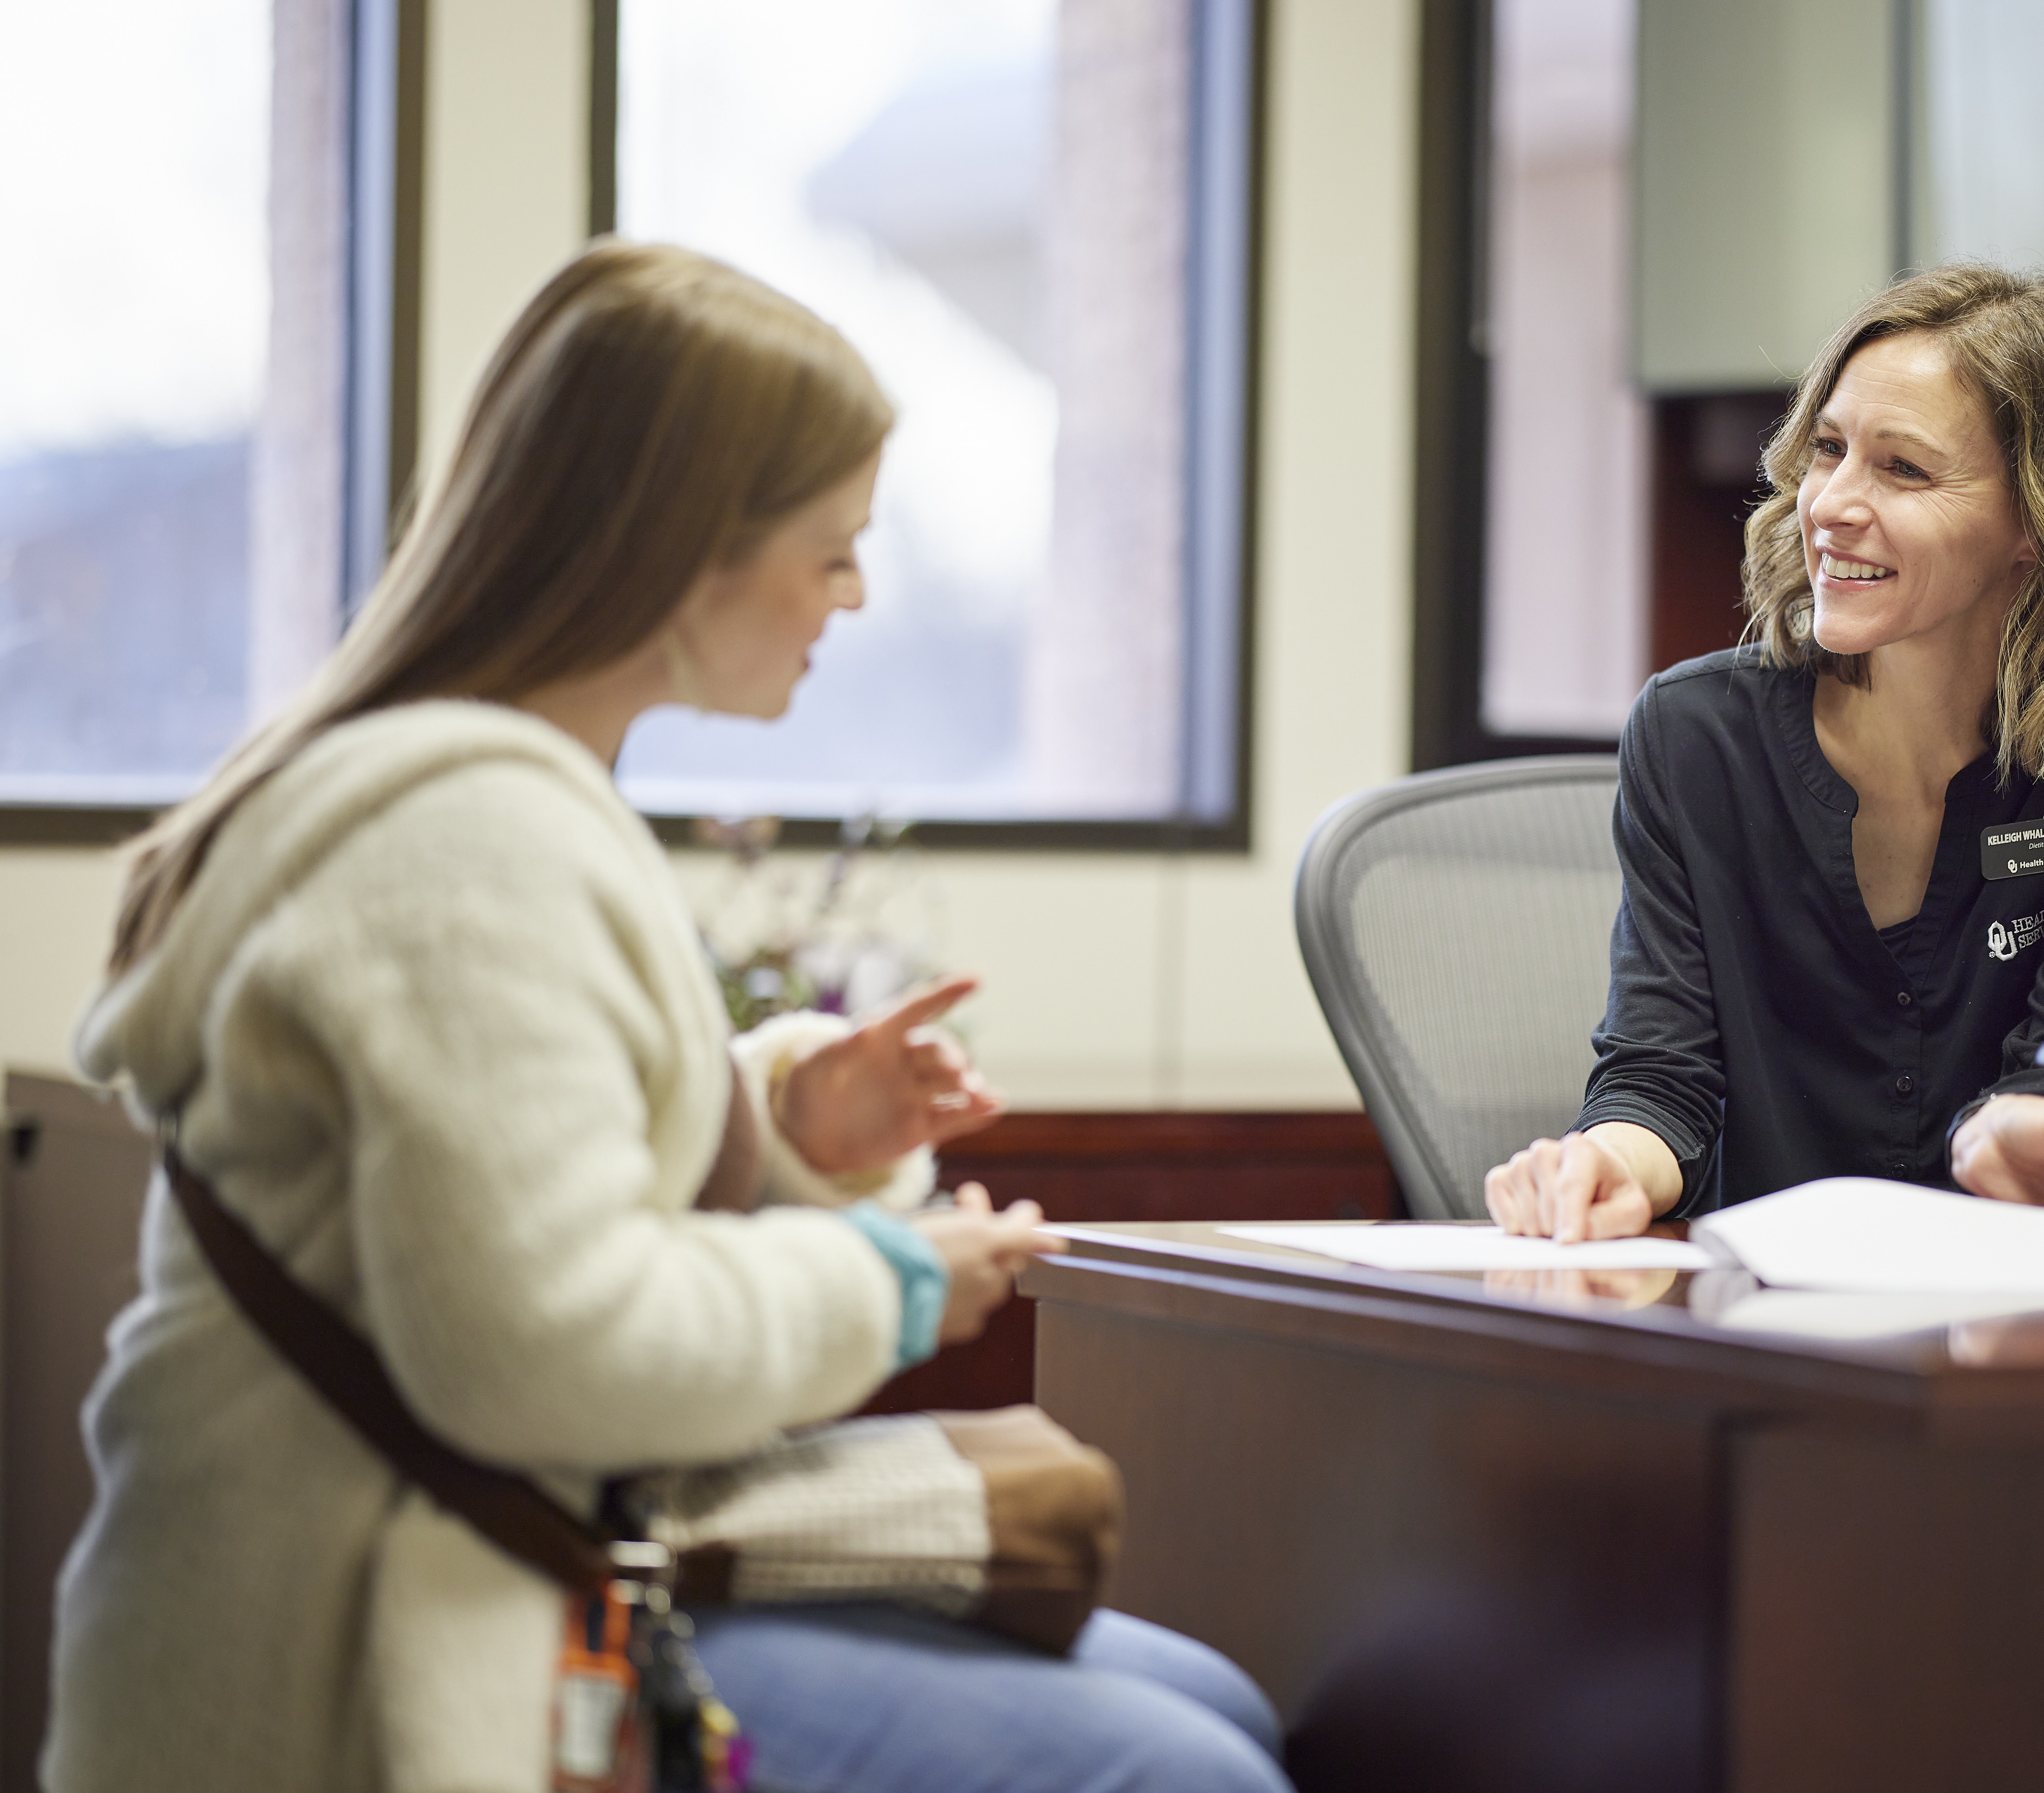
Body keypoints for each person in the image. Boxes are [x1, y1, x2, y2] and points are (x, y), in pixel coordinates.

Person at [49, 242, 1289, 1793]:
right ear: (690, 552)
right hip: (371, 1659)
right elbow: (536, 1347)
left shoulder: (498, 800)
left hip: (487, 1560)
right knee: (1187, 1767)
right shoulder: (467, 840)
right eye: (831, 546)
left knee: (1217, 1709)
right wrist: (886, 1277)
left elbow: (509, 1175)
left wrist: (786, 1122)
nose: (855, 592)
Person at [1486, 264, 2044, 1243]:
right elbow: (1657, 1078)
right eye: (1829, 449)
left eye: (1903, 469)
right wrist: (1605, 1159)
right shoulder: (1692, 736)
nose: (1829, 503)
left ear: (2040, 519)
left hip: (2006, 1313)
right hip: (1751, 1315)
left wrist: (2026, 1119)